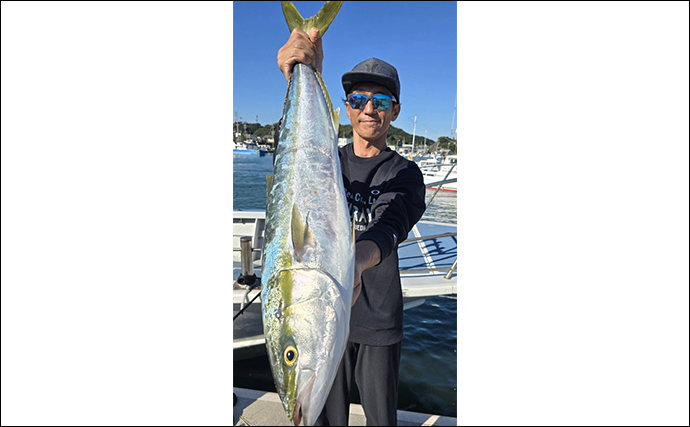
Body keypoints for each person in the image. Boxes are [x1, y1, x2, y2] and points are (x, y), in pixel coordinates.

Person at [277, 27, 427, 426]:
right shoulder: (324, 163)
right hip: (325, 322)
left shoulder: (406, 173)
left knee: (381, 420)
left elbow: (392, 223)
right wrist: (301, 75)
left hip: (377, 321)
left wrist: (357, 259)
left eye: (380, 101)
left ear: (395, 110)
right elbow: (295, 153)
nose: (369, 109)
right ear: (345, 107)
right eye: (359, 99)